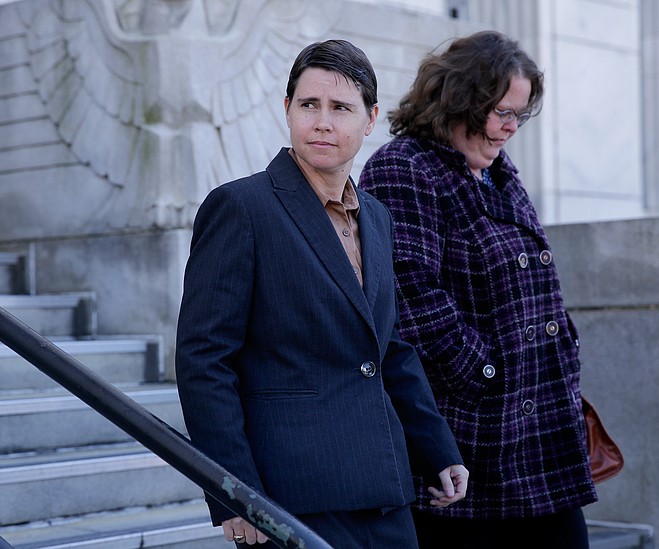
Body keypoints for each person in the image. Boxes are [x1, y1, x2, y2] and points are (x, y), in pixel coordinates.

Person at [175, 39, 468, 548]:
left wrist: (437, 449)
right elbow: (204, 360)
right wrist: (233, 492)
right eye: (309, 105)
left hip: (384, 488)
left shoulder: (376, 216)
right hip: (291, 497)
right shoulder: (240, 208)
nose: (323, 122)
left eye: (341, 108)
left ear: (370, 118)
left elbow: (387, 346)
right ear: (287, 109)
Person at [358, 30, 598, 548]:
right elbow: (409, 295)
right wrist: (486, 370)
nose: (511, 127)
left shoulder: (498, 172)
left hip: (539, 427)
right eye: (502, 112)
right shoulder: (404, 168)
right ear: (459, 101)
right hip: (470, 435)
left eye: (520, 115)